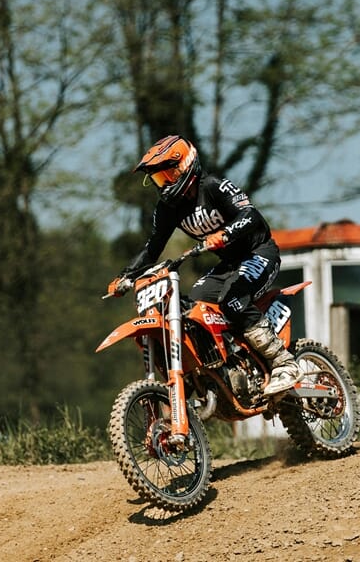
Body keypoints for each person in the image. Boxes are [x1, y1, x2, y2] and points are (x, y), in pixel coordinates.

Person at [108, 135, 301, 395]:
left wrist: (226, 234)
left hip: (259, 253)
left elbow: (251, 215)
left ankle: (284, 363)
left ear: (186, 165)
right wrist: (126, 276)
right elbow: (152, 247)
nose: (165, 184)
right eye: (159, 179)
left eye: (168, 175)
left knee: (233, 301)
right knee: (197, 308)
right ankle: (229, 365)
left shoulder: (213, 186)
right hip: (229, 263)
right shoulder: (167, 209)